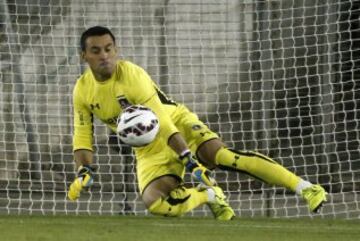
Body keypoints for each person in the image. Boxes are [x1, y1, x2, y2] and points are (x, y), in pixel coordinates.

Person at [67, 26, 328, 220]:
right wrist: (84, 171)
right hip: (148, 149)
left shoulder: (132, 76)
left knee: (222, 156)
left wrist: (189, 159)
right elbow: (82, 137)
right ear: (84, 56)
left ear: (116, 49)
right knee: (154, 203)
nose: (104, 56)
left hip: (177, 124)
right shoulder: (82, 90)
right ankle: (210, 194)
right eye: (96, 51)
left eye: (109, 48)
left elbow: (165, 121)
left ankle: (306, 188)